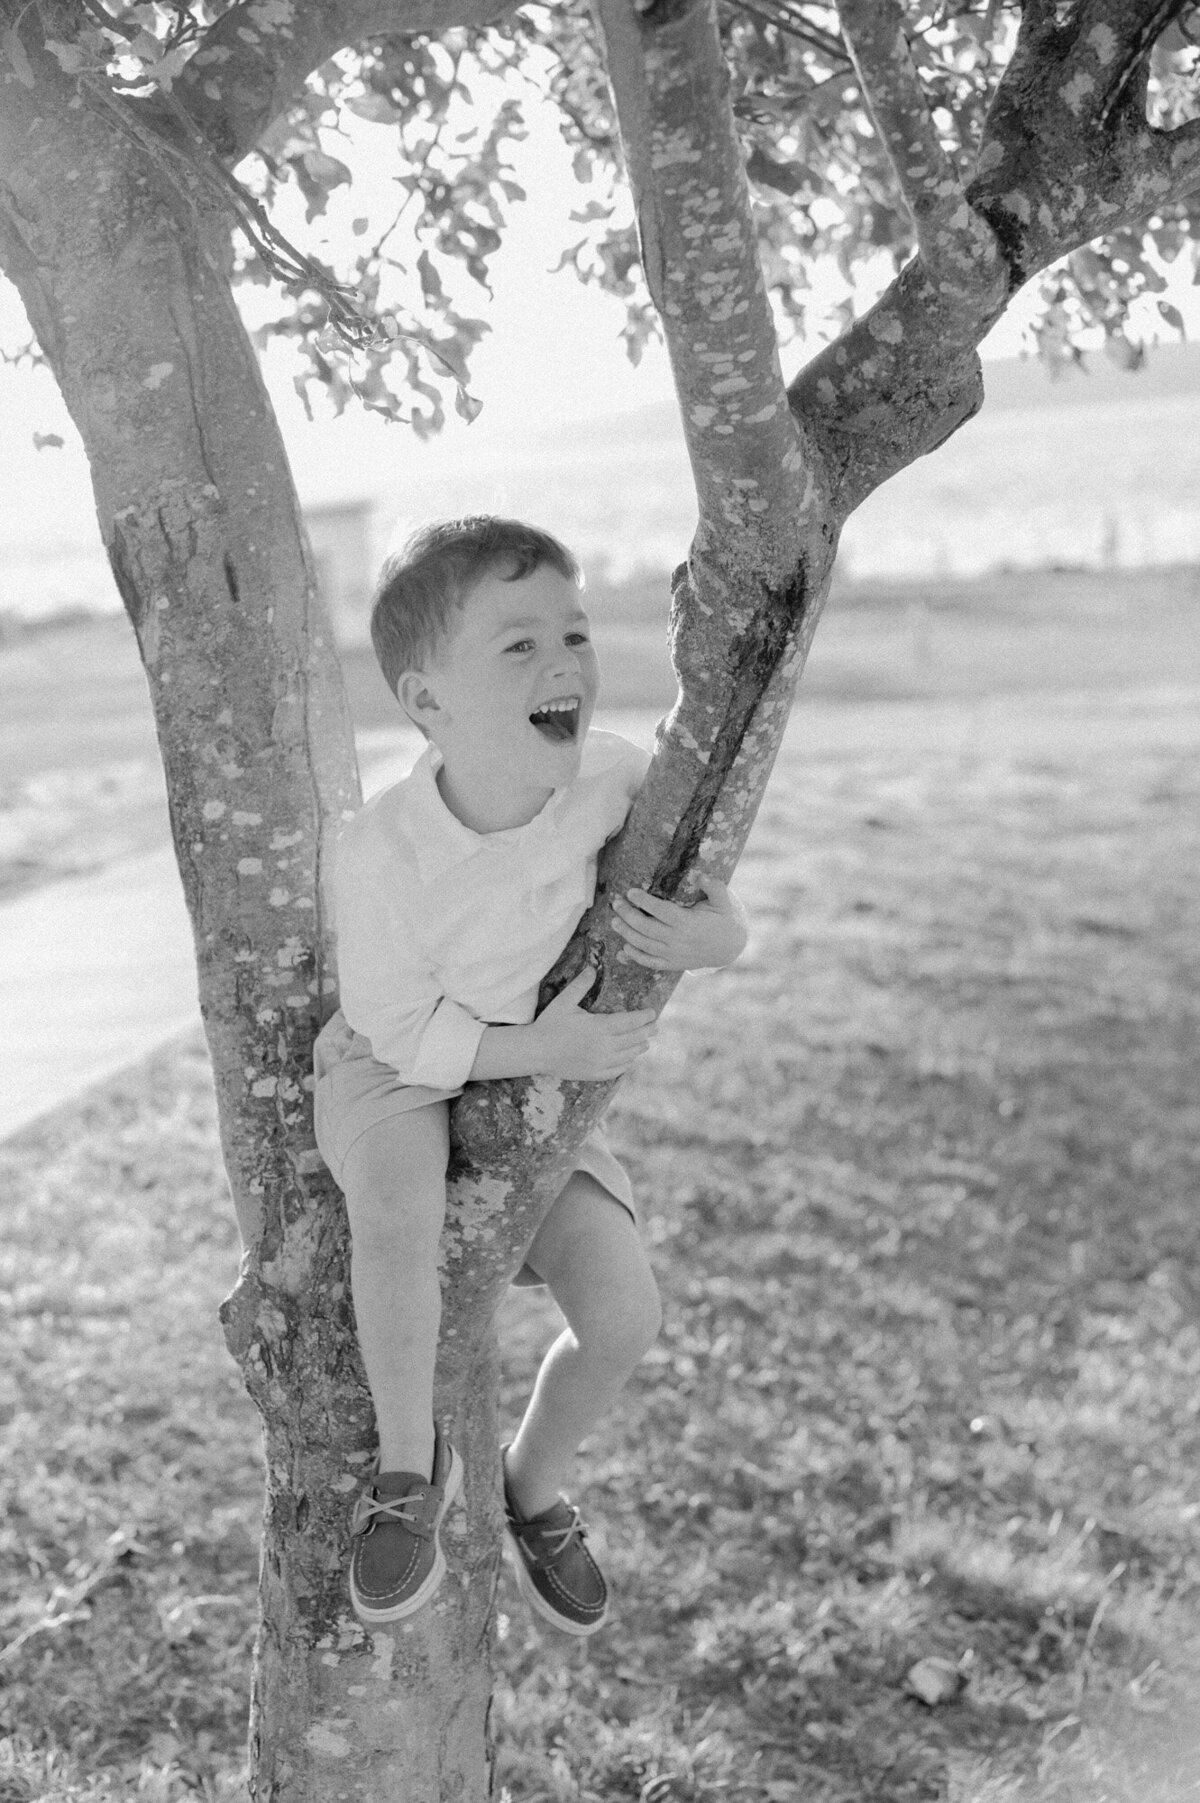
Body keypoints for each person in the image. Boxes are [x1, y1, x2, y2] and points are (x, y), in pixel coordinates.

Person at [313, 516, 747, 1635]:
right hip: (396, 1064)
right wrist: (546, 1051)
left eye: (574, 633)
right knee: (401, 1210)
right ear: (427, 703)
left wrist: (718, 941)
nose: (564, 664)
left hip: (524, 1073)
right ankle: (411, 1474)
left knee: (624, 1308)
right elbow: (402, 1033)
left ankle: (531, 1483)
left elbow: (704, 897)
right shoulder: (379, 855)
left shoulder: (610, 782)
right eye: (519, 647)